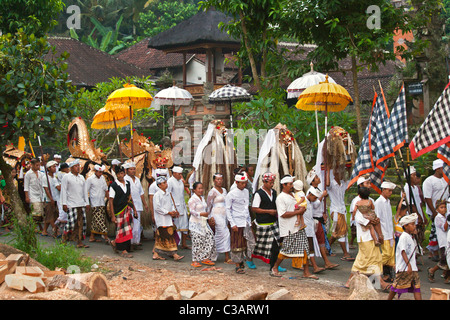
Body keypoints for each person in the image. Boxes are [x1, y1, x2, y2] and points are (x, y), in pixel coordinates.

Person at [271, 175, 316, 279]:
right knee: (285, 249)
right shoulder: (280, 197)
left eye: (292, 184)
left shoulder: (293, 195)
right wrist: (298, 212)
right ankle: (275, 267)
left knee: (305, 249)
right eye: (290, 184)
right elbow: (283, 214)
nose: (291, 186)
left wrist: (300, 210)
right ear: (284, 185)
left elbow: (298, 207)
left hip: (299, 226)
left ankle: (306, 272)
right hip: (289, 228)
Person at [344, 194, 391, 291]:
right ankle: (380, 283)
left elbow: (376, 222)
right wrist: (374, 221)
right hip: (364, 239)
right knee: (367, 260)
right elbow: (371, 223)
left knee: (374, 259)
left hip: (372, 239)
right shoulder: (358, 215)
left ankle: (376, 283)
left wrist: (380, 235)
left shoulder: (370, 213)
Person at [251, 172, 286, 273]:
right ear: (264, 182)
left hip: (273, 223)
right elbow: (254, 208)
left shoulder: (274, 192)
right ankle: (249, 259)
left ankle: (274, 265)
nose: (272, 184)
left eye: (273, 182)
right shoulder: (258, 194)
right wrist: (268, 211)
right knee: (261, 245)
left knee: (276, 245)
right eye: (270, 182)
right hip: (263, 224)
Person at [226, 172, 256, 274]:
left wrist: (249, 221)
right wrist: (232, 223)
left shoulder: (246, 192)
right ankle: (237, 265)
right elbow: (228, 209)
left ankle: (243, 260)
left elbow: (246, 207)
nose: (244, 185)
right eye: (242, 183)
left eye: (245, 183)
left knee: (249, 242)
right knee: (237, 245)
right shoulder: (231, 194)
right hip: (236, 222)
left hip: (246, 221)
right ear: (236, 182)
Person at [388, 213, 422, 300]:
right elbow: (403, 252)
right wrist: (408, 265)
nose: (414, 226)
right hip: (405, 268)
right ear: (406, 226)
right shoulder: (404, 237)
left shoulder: (410, 236)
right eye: (412, 224)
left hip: (412, 268)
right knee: (396, 286)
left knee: (416, 287)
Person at [152, 175, 185, 261]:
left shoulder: (168, 194)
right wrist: (168, 212)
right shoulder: (157, 195)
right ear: (159, 185)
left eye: (166, 182)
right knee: (168, 236)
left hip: (168, 219)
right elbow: (157, 208)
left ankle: (156, 253)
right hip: (161, 219)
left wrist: (173, 211)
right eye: (164, 183)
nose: (166, 184)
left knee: (161, 237)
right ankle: (174, 254)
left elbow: (171, 204)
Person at [423, 159, 449, 262]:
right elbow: (427, 197)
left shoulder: (445, 180)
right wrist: (434, 212)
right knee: (436, 231)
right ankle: (434, 252)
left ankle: (440, 250)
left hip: (445, 210)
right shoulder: (429, 181)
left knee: (443, 231)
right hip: (435, 211)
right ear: (438, 169)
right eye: (443, 168)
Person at [60, 159, 90, 248]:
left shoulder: (81, 177)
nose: (78, 168)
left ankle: (79, 241)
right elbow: (63, 190)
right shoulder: (67, 177)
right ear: (71, 168)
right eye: (76, 166)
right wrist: (64, 203)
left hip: (81, 203)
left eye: (78, 166)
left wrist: (87, 203)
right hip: (71, 204)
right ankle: (64, 238)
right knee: (71, 223)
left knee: (81, 224)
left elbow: (85, 191)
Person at [109, 165, 137, 258]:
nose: (121, 175)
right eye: (119, 174)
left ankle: (116, 243)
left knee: (127, 229)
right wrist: (112, 215)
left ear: (124, 174)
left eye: (122, 173)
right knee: (121, 230)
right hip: (118, 210)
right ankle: (123, 250)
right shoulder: (113, 186)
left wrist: (135, 209)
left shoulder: (128, 183)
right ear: (116, 175)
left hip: (127, 209)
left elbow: (130, 197)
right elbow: (111, 201)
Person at [188, 181, 217, 267]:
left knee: (210, 238)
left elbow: (206, 209)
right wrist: (200, 214)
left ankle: (205, 257)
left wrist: (208, 216)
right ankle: (195, 260)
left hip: (203, 222)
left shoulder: (202, 198)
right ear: (194, 190)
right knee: (197, 241)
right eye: (199, 188)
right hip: (195, 223)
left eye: (202, 188)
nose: (201, 190)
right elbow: (191, 211)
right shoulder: (192, 199)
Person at [206, 173, 231, 264]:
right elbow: (208, 205)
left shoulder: (224, 190)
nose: (219, 181)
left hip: (225, 214)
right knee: (225, 233)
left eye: (221, 179)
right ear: (214, 181)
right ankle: (227, 257)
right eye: (217, 179)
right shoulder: (212, 191)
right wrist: (209, 217)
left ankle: (212, 255)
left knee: (220, 235)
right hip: (216, 214)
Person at [375, 181, 397, 282]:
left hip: (390, 232)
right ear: (383, 190)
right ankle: (374, 269)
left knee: (391, 256)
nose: (391, 193)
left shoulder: (387, 202)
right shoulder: (378, 202)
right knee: (386, 254)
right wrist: (380, 234)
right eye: (389, 190)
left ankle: (387, 274)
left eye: (391, 191)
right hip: (384, 232)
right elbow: (377, 219)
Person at [124, 162, 148, 251]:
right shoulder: (125, 180)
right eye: (131, 169)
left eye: (134, 169)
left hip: (138, 205)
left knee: (137, 226)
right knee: (131, 225)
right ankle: (129, 244)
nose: (133, 171)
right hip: (129, 206)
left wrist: (145, 204)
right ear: (127, 170)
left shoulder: (137, 179)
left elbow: (141, 193)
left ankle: (135, 242)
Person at [403, 166, 427, 246]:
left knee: (420, 234)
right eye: (413, 175)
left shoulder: (416, 188)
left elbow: (419, 204)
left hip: (418, 213)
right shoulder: (406, 188)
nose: (415, 177)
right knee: (414, 234)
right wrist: (418, 216)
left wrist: (423, 216)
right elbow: (411, 205)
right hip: (413, 215)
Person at [85, 164, 109, 244]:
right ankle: (106, 236)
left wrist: (109, 200)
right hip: (94, 202)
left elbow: (106, 189)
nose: (100, 173)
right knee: (99, 219)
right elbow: (85, 191)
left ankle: (92, 236)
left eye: (101, 172)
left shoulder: (102, 178)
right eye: (99, 172)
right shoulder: (90, 179)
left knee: (96, 219)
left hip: (102, 201)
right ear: (95, 171)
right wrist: (87, 203)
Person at [427, 200, 450, 283]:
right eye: (441, 207)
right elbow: (444, 228)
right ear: (437, 209)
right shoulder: (438, 218)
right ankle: (432, 270)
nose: (444, 209)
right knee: (444, 260)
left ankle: (447, 276)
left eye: (444, 207)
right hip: (444, 242)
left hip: (448, 240)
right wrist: (448, 220)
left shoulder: (446, 216)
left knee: (448, 259)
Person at [24, 158, 49, 232]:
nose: (38, 167)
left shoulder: (41, 174)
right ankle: (33, 227)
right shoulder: (28, 174)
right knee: (36, 211)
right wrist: (27, 197)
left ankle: (38, 226)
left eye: (39, 165)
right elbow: (26, 187)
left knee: (40, 212)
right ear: (32, 165)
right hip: (32, 195)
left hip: (40, 195)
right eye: (37, 165)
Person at [168, 166, 190, 249]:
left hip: (183, 206)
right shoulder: (170, 181)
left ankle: (184, 244)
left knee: (184, 225)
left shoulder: (181, 181)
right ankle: (175, 244)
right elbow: (169, 195)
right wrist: (173, 208)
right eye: (179, 174)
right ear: (174, 173)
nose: (180, 175)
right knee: (176, 226)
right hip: (175, 207)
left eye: (181, 174)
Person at [42, 161, 60, 237]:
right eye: (53, 167)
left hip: (55, 198)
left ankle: (44, 230)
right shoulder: (45, 177)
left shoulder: (55, 177)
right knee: (51, 215)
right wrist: (51, 199)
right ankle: (55, 230)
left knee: (52, 215)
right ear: (49, 168)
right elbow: (46, 189)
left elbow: (58, 187)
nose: (54, 168)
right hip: (48, 199)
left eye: (55, 166)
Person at [55, 162, 69, 227]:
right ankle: (55, 227)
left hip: (66, 196)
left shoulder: (64, 174)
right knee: (62, 213)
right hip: (61, 196)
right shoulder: (61, 175)